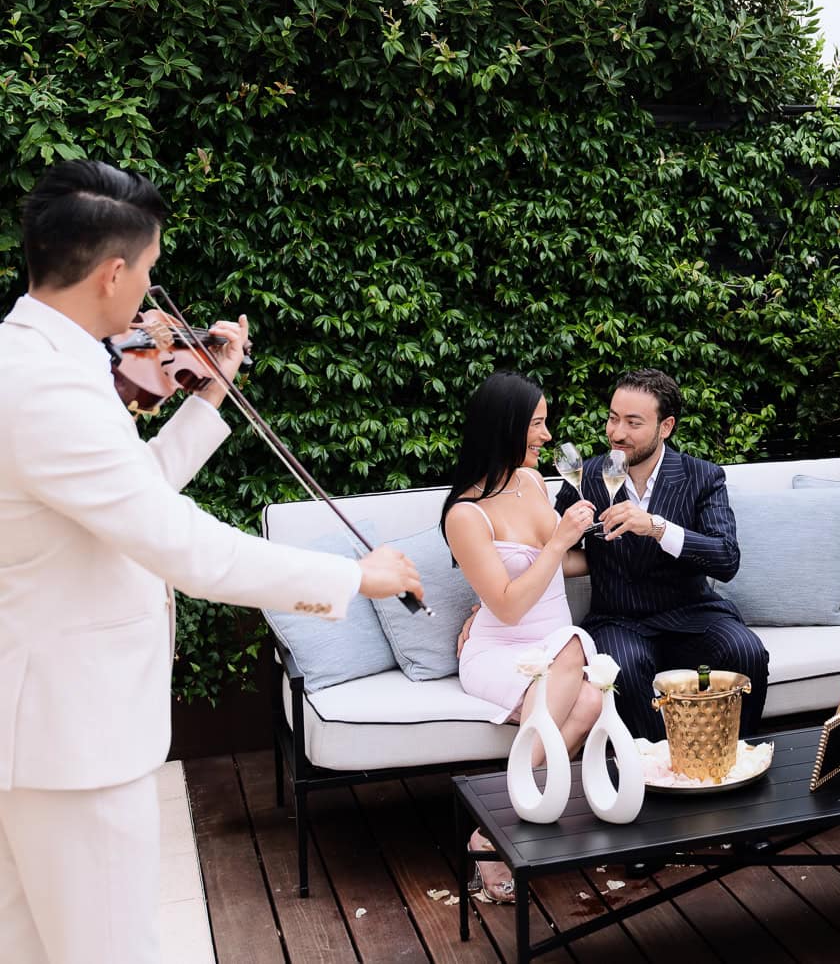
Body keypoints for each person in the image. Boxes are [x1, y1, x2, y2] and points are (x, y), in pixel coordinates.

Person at [0, 160, 423, 963]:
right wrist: (350, 576)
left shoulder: (36, 361)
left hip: (43, 731)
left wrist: (208, 395)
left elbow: (125, 500)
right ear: (112, 271)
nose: (152, 298)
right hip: (73, 740)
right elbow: (183, 544)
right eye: (150, 273)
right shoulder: (50, 387)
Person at [440, 370, 602, 902]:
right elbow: (507, 606)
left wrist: (610, 545)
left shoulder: (534, 482)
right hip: (502, 649)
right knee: (577, 651)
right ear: (505, 427)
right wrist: (558, 541)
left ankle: (490, 831)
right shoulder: (465, 514)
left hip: (554, 653)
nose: (548, 437)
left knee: (592, 701)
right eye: (537, 425)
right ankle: (507, 827)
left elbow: (560, 566)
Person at [558, 368, 767, 741]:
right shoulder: (586, 477)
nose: (617, 432)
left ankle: (735, 755)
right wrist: (488, 605)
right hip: (618, 619)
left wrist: (655, 526)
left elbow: (725, 558)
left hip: (691, 613)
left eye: (633, 423)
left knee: (746, 651)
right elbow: (550, 549)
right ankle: (662, 767)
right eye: (612, 418)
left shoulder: (703, 477)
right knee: (622, 666)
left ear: (665, 426)